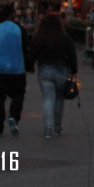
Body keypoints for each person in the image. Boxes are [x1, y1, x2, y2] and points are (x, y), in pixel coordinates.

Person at [31, 11, 78, 139]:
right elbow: (72, 55)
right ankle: (57, 127)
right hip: (62, 70)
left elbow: (32, 53)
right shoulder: (65, 37)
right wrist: (74, 71)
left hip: (45, 70)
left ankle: (48, 127)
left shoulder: (40, 37)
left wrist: (29, 66)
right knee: (59, 99)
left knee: (48, 99)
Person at [0, 4, 27, 137]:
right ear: (12, 15)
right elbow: (25, 47)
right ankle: (14, 115)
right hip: (17, 69)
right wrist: (28, 65)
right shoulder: (19, 29)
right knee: (18, 95)